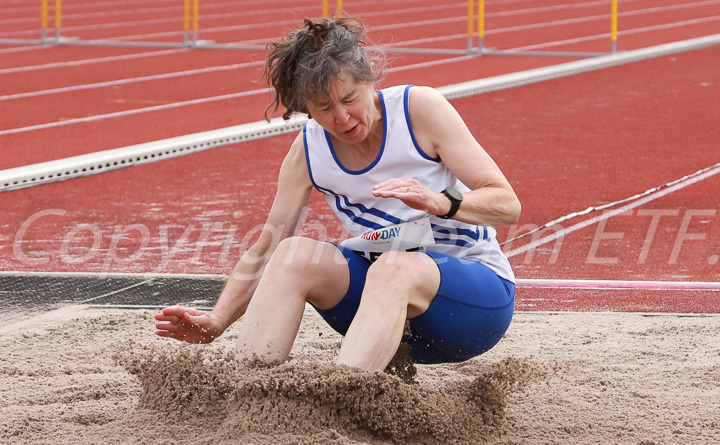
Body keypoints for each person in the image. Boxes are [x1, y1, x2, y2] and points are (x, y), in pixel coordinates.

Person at [155, 14, 521, 372]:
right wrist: (218, 319)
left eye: (349, 99)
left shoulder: (419, 110)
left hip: (472, 307)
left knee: (394, 268)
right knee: (292, 254)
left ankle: (344, 397)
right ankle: (250, 394)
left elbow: (507, 204)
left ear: (370, 80)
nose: (342, 119)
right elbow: (267, 245)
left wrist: (442, 202)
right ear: (306, 108)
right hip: (379, 313)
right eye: (325, 109)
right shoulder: (309, 151)